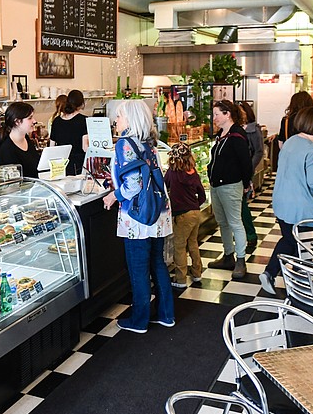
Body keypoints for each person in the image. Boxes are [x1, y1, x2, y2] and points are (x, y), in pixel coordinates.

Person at [102, 99, 175, 332]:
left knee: (138, 267)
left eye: (120, 116)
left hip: (138, 216)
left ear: (130, 120)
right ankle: (166, 314)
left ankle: (139, 320)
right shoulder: (149, 142)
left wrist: (114, 195)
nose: (116, 120)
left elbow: (133, 184)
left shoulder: (124, 144)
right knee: (158, 263)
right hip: (159, 211)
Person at [258, 107, 313, 295]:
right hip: (302, 208)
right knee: (304, 245)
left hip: (282, 202)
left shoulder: (290, 142)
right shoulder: (312, 151)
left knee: (290, 240)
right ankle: (299, 285)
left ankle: (271, 273)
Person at [206, 100, 253, 280]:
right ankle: (228, 256)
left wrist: (246, 182)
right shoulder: (221, 133)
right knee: (222, 222)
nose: (214, 118)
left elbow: (245, 163)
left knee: (235, 222)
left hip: (231, 185)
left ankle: (241, 260)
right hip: (216, 185)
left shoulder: (237, 135)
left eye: (217, 114)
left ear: (228, 114)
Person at [164, 142, 205, 289]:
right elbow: (202, 195)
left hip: (181, 215)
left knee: (179, 246)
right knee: (193, 243)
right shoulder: (193, 172)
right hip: (195, 212)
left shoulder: (172, 172)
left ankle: (180, 279)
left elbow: (164, 185)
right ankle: (197, 273)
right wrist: (195, 205)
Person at [238, 101, 264, 255]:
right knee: (240, 204)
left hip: (245, 171)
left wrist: (249, 167)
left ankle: (251, 234)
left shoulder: (254, 129)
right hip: (235, 171)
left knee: (241, 204)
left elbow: (259, 151)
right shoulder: (235, 128)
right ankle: (247, 234)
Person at [49, 89, 90, 176]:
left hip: (60, 165)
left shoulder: (56, 121)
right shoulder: (84, 120)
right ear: (82, 103)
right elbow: (85, 148)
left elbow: (51, 147)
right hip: (78, 165)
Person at [0, 101, 41, 178]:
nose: (34, 121)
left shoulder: (27, 139)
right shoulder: (7, 149)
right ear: (17, 121)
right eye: (30, 118)